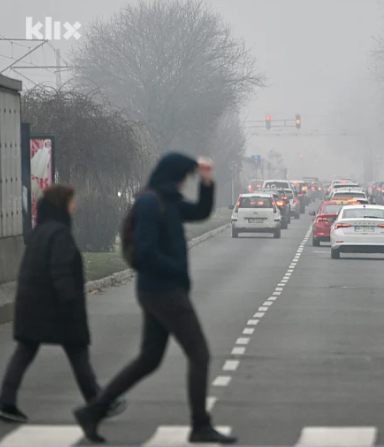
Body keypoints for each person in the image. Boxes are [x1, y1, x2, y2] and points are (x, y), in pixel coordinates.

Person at [74, 153, 236, 444]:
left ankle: (93, 411)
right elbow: (146, 251)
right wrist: (176, 269)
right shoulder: (150, 203)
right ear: (173, 176)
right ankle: (200, 425)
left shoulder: (168, 201)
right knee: (199, 354)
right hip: (162, 291)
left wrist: (207, 181)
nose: (185, 183)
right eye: (185, 177)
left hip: (161, 291)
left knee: (149, 358)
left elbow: (201, 212)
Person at [0, 185, 126, 423]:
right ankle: (97, 403)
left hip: (33, 305)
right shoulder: (59, 234)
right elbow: (61, 272)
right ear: (61, 204)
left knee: (27, 351)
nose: (73, 206)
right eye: (70, 202)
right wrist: (70, 304)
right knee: (77, 352)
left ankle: (7, 400)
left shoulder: (40, 232)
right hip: (55, 308)